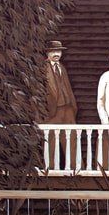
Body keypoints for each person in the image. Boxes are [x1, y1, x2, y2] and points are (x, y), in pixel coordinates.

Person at [43, 41, 77, 169]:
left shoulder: (61, 67)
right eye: (53, 51)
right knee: (51, 139)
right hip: (53, 110)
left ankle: (75, 168)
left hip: (67, 109)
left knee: (71, 138)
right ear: (48, 53)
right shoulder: (43, 68)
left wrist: (72, 107)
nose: (56, 54)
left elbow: (67, 87)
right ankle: (49, 168)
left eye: (59, 51)